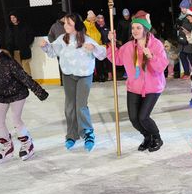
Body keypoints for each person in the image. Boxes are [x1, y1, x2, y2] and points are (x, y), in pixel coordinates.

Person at [41, 13, 106, 152]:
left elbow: (102, 55)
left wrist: (94, 48)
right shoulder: (62, 39)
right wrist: (46, 46)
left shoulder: (87, 40)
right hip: (68, 75)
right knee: (70, 106)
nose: (65, 26)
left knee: (81, 105)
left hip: (84, 76)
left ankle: (87, 132)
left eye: (69, 24)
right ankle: (72, 134)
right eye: (65, 23)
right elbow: (52, 52)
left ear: (77, 26)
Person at [108, 10, 168, 152]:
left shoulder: (156, 45)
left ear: (145, 29)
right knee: (134, 119)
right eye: (133, 27)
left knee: (143, 117)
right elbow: (117, 59)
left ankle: (157, 138)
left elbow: (161, 66)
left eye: (138, 28)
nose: (134, 31)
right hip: (134, 87)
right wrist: (112, 43)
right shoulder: (128, 46)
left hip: (153, 87)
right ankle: (147, 137)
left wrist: (151, 57)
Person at [5, 11, 35, 76]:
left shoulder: (24, 26)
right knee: (18, 68)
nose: (12, 19)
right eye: (11, 18)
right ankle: (21, 81)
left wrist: (26, 44)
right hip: (15, 51)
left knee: (25, 66)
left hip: (24, 50)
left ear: (17, 17)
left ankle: (29, 80)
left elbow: (31, 36)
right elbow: (8, 38)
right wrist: (9, 47)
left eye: (14, 17)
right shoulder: (10, 27)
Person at [83, 10, 105, 82]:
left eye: (94, 18)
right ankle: (91, 77)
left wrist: (101, 43)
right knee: (90, 63)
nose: (94, 19)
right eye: (92, 18)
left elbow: (100, 34)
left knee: (99, 63)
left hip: (97, 46)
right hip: (89, 47)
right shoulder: (84, 24)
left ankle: (100, 76)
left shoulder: (96, 25)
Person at [176, 0, 192, 78]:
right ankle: (186, 73)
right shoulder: (180, 17)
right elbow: (178, 27)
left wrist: (182, 25)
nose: (182, 9)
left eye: (184, 8)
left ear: (187, 8)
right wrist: (177, 26)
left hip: (188, 40)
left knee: (191, 57)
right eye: (181, 8)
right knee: (182, 56)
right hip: (182, 41)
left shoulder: (190, 16)